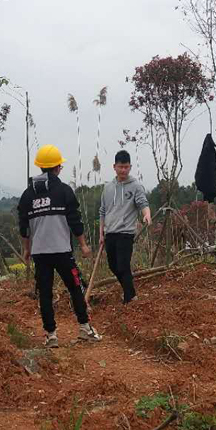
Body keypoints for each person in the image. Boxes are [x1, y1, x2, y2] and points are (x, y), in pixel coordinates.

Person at [18, 144, 102, 347]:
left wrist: (27, 250)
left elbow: (24, 227)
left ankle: (51, 335)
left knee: (45, 294)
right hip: (63, 251)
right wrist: (83, 245)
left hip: (40, 254)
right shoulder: (64, 191)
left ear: (40, 167)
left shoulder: (27, 195)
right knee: (75, 288)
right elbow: (75, 221)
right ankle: (85, 328)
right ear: (57, 168)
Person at [99, 150, 151, 304]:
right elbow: (102, 211)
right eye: (120, 167)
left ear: (130, 167)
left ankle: (130, 297)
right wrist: (101, 233)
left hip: (126, 232)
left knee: (122, 265)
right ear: (114, 167)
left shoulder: (135, 186)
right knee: (113, 266)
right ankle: (130, 293)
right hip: (110, 232)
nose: (123, 170)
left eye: (126, 167)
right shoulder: (108, 188)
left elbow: (143, 203)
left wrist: (146, 214)